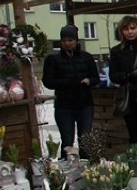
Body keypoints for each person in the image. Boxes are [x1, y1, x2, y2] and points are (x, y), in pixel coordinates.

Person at [42, 25, 99, 158]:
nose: (66, 43)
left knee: (85, 140)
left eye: (70, 40)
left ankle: (87, 166)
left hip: (85, 105)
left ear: (76, 41)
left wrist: (89, 81)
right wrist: (68, 81)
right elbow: (48, 82)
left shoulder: (86, 57)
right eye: (63, 40)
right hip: (64, 106)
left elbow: (95, 78)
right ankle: (68, 167)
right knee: (67, 141)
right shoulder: (53, 59)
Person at [108, 16, 137, 145]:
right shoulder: (117, 51)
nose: (129, 32)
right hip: (129, 96)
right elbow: (114, 76)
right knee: (134, 134)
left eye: (132, 28)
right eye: (126, 29)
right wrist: (130, 75)